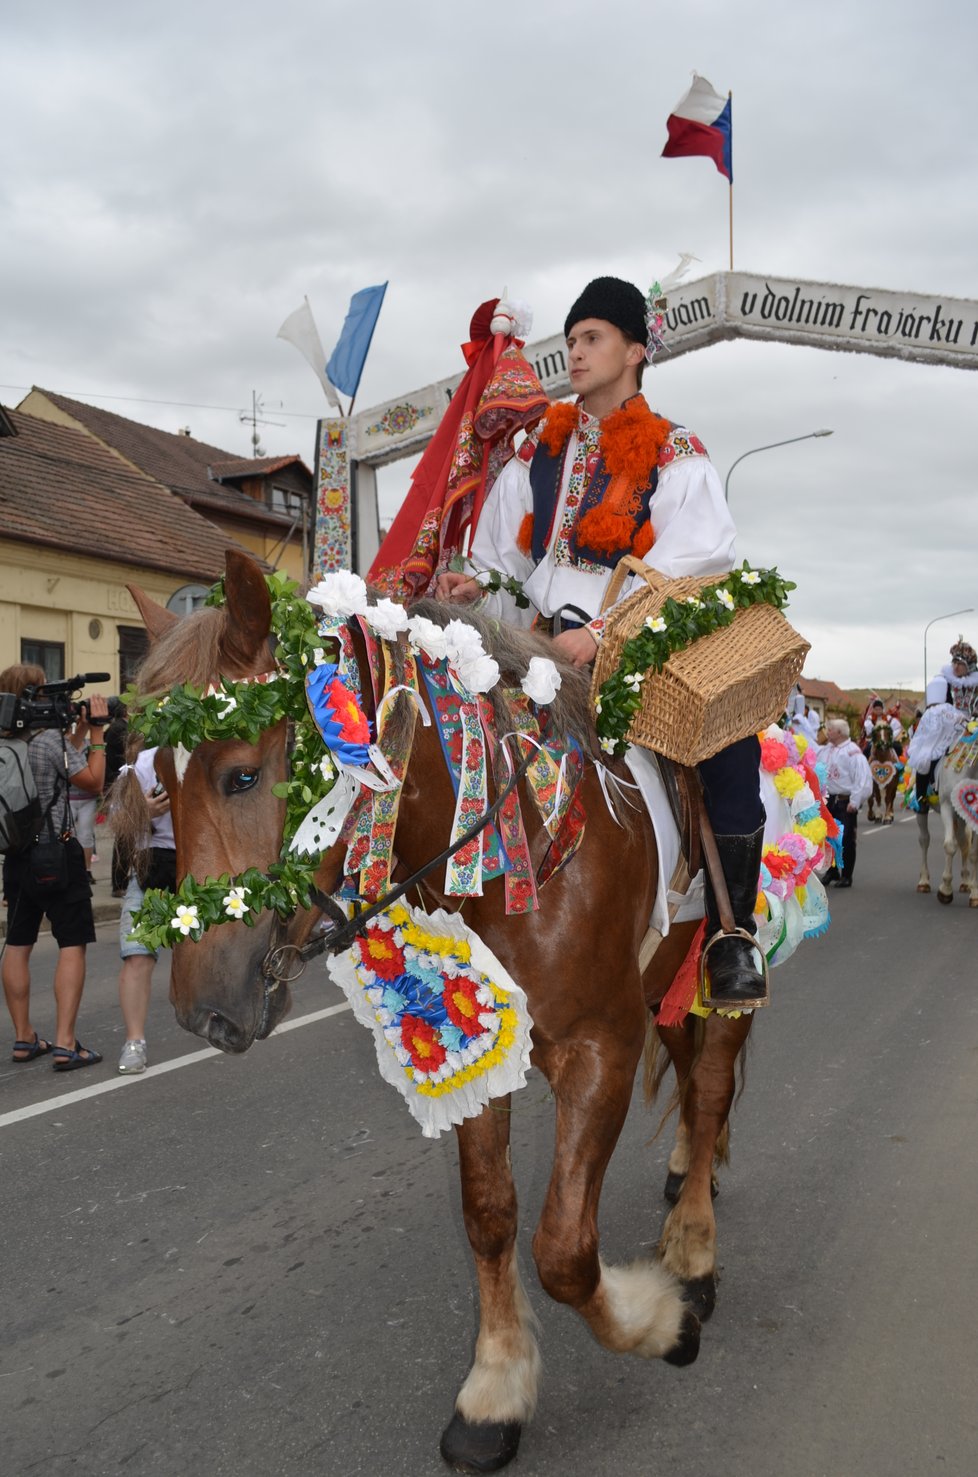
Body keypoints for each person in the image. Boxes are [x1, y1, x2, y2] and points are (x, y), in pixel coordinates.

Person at [435, 274, 767, 1004]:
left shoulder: (678, 452)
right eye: (572, 339)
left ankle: (730, 932)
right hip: (537, 649)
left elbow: (699, 564)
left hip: (640, 647)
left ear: (635, 351)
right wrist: (472, 585)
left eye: (592, 339)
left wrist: (607, 633)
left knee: (728, 745)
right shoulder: (537, 453)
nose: (576, 354)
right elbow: (508, 566)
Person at [0, 664, 107, 1068]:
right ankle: (65, 1043)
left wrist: (74, 736)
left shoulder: (7, 739)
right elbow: (92, 781)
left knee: (18, 943)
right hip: (58, 854)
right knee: (71, 943)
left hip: (16, 856)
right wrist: (96, 733)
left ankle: (24, 1037)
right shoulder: (48, 741)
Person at [109, 742, 175, 1073]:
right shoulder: (146, 763)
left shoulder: (216, 749)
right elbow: (117, 819)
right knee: (137, 955)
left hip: (206, 863)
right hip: (153, 864)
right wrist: (145, 812)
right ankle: (134, 1041)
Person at [814, 718, 873, 888]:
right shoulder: (826, 750)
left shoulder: (852, 752)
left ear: (839, 732)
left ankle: (847, 875)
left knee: (846, 839)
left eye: (830, 729)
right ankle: (832, 871)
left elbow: (862, 778)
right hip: (828, 800)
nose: (828, 732)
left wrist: (855, 801)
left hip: (844, 801)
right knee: (828, 838)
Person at [907, 675, 966, 808]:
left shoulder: (932, 711)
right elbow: (958, 721)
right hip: (940, 744)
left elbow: (923, 733)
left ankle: (921, 796)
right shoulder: (945, 709)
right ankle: (922, 795)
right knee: (925, 762)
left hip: (937, 744)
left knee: (923, 763)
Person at [939, 640, 978, 716]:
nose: (956, 667)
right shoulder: (946, 682)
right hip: (951, 724)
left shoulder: (976, 683)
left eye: (960, 664)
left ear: (969, 666)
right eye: (954, 662)